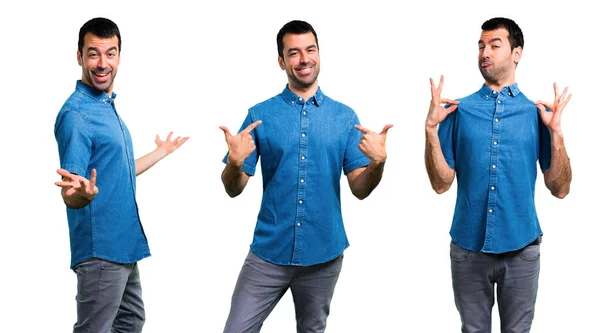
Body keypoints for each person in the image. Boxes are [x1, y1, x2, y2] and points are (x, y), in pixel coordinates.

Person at [219, 19, 392, 332]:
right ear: (281, 61)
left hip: (323, 255)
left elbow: (360, 189)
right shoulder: (259, 115)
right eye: (294, 52)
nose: (304, 59)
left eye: (310, 50)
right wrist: (234, 162)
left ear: (319, 53)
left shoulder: (345, 117)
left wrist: (378, 163)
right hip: (269, 253)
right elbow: (234, 188)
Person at [424, 17, 572, 333]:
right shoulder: (458, 110)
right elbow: (440, 184)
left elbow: (559, 188)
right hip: (467, 250)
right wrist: (431, 131)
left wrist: (556, 134)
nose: (484, 53)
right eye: (481, 46)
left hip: (522, 249)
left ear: (517, 53)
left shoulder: (536, 113)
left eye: (494, 45)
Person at [54, 17, 188, 333]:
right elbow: (70, 188)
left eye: (110, 53)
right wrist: (80, 195)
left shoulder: (105, 106)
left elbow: (118, 171)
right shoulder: (77, 116)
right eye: (93, 54)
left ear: (119, 56)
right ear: (79, 57)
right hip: (101, 248)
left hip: (123, 243)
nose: (103, 63)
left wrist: (160, 153)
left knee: (130, 321)